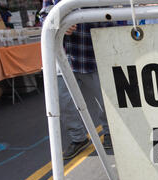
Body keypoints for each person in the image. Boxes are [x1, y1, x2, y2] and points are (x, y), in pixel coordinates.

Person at [41, 0, 114, 160]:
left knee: (104, 100)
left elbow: (112, 16)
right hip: (64, 56)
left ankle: (109, 132)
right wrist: (59, 24)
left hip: (94, 54)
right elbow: (44, 18)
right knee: (64, 101)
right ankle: (78, 138)